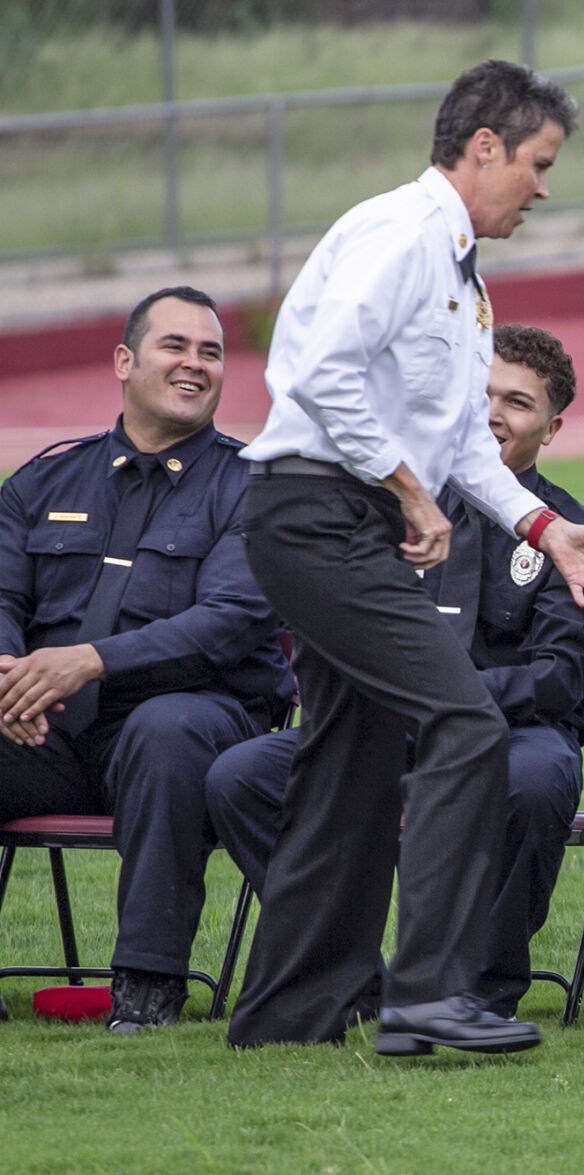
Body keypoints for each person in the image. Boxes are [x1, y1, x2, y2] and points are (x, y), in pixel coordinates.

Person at [228, 60, 584, 1056]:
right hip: (316, 513)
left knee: (348, 765)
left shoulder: (461, 272)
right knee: (462, 724)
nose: (543, 185)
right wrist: (405, 487)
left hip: (339, 516)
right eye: (537, 162)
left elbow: (460, 448)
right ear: (483, 148)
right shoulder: (402, 234)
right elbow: (315, 372)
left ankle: (287, 1017)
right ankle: (428, 993)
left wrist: (546, 529)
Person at [206, 323, 584, 1020]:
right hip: (382, 724)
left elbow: (560, 677)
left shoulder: (569, 534)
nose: (492, 414)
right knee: (242, 777)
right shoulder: (384, 513)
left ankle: (474, 986)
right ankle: (347, 968)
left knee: (537, 779)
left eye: (517, 402)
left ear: (553, 427)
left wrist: (445, 700)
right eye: (481, 394)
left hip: (514, 731)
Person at [0, 286, 292, 1033]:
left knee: (169, 730)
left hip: (203, 718)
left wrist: (87, 660)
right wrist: (12, 682)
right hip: (53, 728)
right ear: (125, 361)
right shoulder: (44, 480)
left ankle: (146, 987)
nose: (195, 364)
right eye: (176, 346)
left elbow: (228, 622)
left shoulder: (253, 485)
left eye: (212, 351)